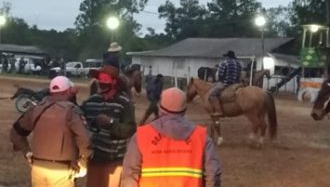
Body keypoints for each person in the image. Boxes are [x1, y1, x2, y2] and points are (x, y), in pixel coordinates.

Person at [122, 87, 222, 187]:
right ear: (185, 110)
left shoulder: (141, 136)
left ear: (160, 109)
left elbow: (130, 174)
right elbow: (213, 174)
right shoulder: (201, 137)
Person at [10, 76, 92, 187]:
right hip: (62, 171)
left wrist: (27, 153)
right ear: (68, 91)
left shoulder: (36, 109)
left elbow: (15, 133)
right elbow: (85, 139)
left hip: (38, 168)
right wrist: (83, 164)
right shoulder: (71, 111)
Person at [81, 59, 137, 187]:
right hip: (94, 158)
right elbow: (78, 116)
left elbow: (130, 129)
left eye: (106, 79)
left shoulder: (124, 102)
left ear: (114, 82)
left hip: (114, 160)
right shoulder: (92, 101)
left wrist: (111, 123)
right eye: (100, 79)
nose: (102, 83)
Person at [208, 50, 242, 116]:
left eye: (226, 56)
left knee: (212, 94)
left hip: (226, 83)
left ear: (228, 57)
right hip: (236, 84)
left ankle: (219, 111)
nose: (225, 58)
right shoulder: (238, 63)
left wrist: (219, 80)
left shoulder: (225, 63)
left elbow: (220, 74)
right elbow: (240, 75)